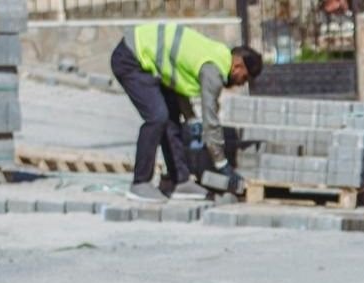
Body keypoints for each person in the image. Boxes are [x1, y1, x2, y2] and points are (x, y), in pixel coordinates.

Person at [110, 23, 262, 203]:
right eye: (244, 78)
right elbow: (210, 121)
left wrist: (190, 118)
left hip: (146, 61)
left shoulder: (216, 55)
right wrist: (222, 164)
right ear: (238, 64)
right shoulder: (214, 70)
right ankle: (140, 183)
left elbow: (180, 82)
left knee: (171, 117)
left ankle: (179, 181)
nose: (240, 83)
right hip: (131, 57)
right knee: (157, 117)